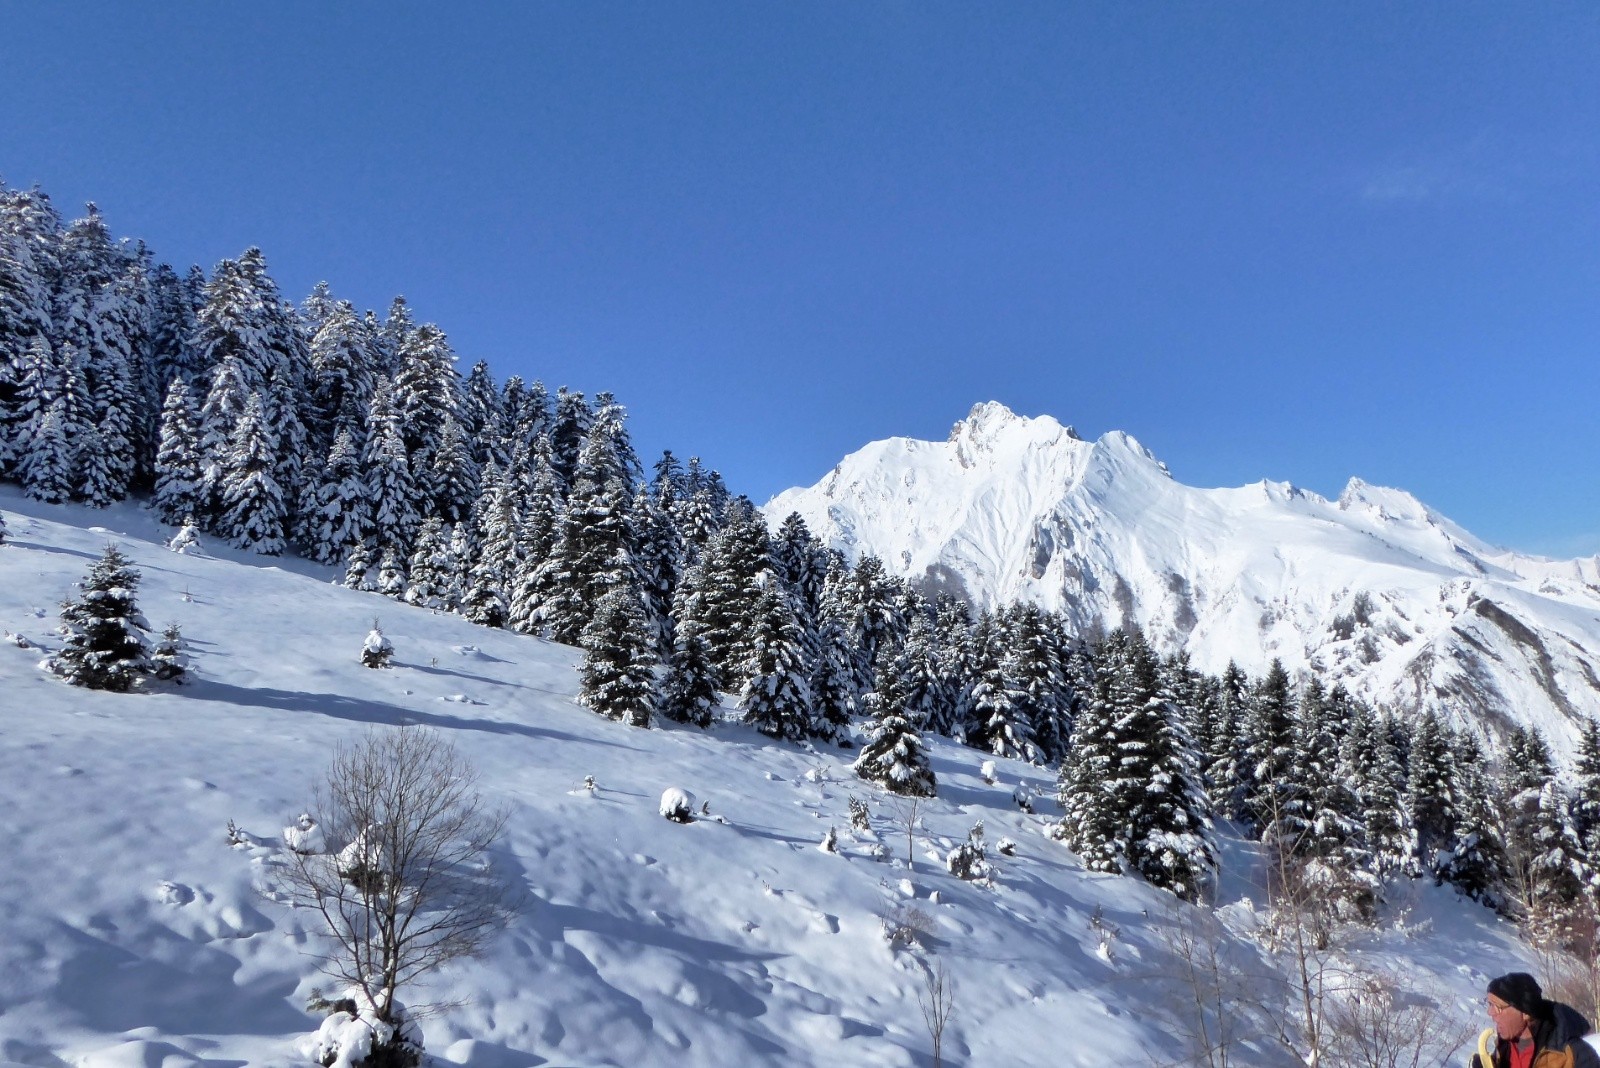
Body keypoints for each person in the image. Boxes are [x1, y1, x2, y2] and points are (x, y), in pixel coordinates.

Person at [1471, 972, 1600, 1068]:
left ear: (1525, 1013)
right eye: (1490, 1005)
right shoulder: (1505, 1047)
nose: (1490, 1012)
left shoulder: (1571, 1051)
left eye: (1497, 1007)